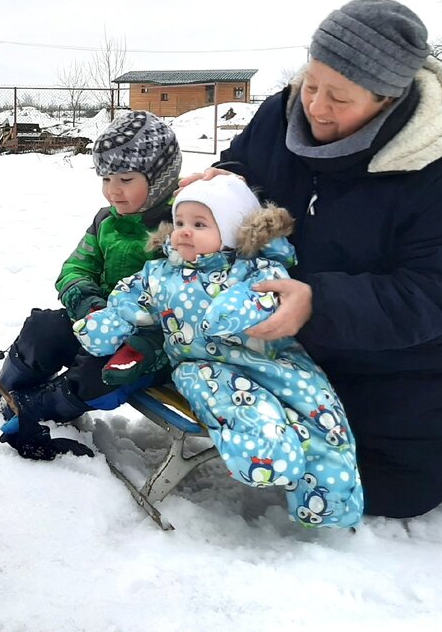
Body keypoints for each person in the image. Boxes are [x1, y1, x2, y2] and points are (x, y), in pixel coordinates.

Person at [186, 0, 442, 519]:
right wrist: (225, 184)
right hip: (293, 335)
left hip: (409, 354)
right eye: (312, 83)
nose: (315, 106)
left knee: (388, 490)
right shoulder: (280, 113)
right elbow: (245, 164)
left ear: (387, 99)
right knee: (291, 450)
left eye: (340, 97)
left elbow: (439, 291)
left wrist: (320, 304)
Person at [76, 174, 364, 528]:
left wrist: (234, 308)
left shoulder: (255, 268)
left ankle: (328, 503)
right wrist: (101, 328)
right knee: (239, 401)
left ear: (231, 232)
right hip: (205, 365)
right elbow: (127, 301)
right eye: (180, 222)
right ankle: (265, 456)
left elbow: (265, 295)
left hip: (272, 359)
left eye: (199, 224)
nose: (183, 231)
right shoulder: (160, 273)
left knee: (318, 410)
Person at [0, 111, 181, 459]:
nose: (112, 191)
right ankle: (8, 390)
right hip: (96, 319)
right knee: (42, 329)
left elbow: (183, 293)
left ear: (160, 178)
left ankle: (36, 406)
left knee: (100, 375)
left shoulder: (184, 226)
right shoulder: (107, 220)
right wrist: (87, 304)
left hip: (149, 345)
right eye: (106, 178)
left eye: (125, 179)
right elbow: (77, 266)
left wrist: (126, 322)